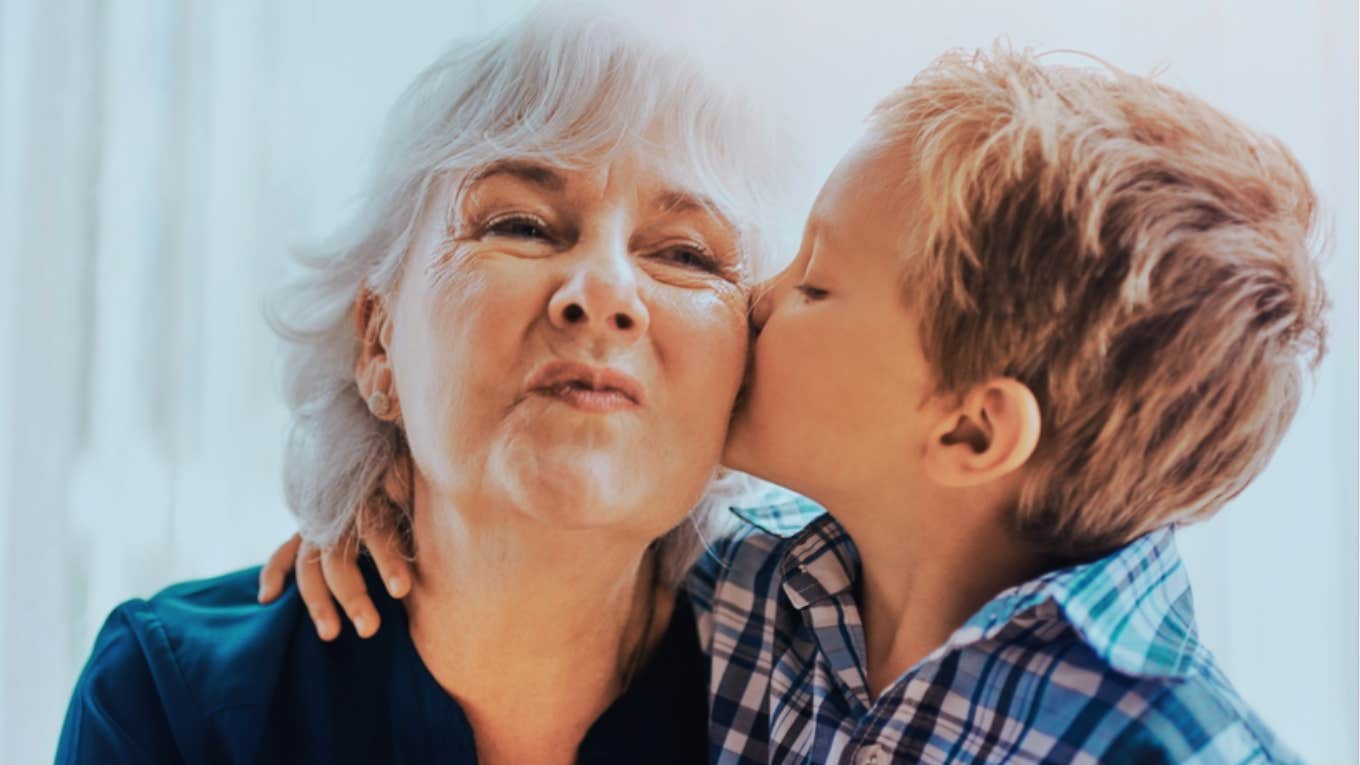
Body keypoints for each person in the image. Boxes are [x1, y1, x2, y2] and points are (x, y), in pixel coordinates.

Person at [278, 46, 1325, 762]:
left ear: (967, 429)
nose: (758, 297)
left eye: (815, 285)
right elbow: (547, 534)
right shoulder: (758, 587)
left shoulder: (1178, 745)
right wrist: (376, 506)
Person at [55, 9, 790, 764]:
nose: (603, 290)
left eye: (686, 254)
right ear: (378, 341)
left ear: (742, 384)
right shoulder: (169, 698)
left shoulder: (809, 707)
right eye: (522, 225)